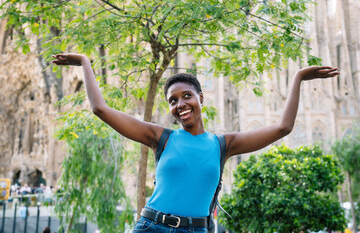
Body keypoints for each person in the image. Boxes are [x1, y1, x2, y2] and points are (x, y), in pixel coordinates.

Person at [52, 53, 339, 233]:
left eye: (186, 95)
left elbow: (283, 127)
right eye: (173, 101)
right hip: (153, 227)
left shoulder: (223, 145)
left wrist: (299, 78)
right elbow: (101, 109)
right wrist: (85, 62)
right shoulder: (160, 137)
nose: (180, 104)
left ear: (201, 98)